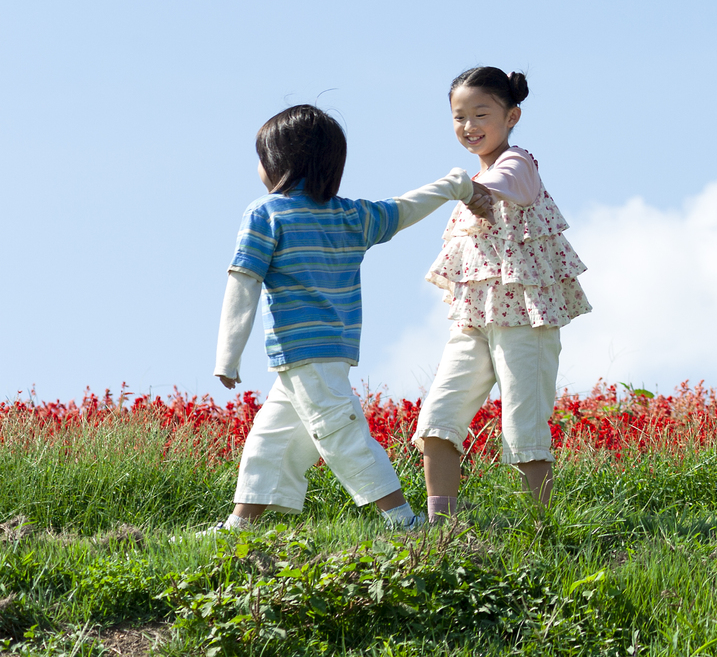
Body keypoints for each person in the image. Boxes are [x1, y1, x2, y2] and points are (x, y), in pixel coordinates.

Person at [210, 105, 471, 532]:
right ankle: (241, 523)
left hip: (303, 351)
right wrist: (452, 185)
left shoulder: (266, 212)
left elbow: (244, 283)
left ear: (280, 162)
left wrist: (227, 358)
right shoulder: (352, 216)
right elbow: (404, 208)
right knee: (272, 438)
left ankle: (404, 521)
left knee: (340, 432)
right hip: (326, 351)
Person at [414, 67, 591, 521]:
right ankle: (442, 527)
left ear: (511, 116)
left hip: (524, 321)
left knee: (523, 426)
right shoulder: (473, 182)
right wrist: (468, 188)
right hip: (474, 319)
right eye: (458, 117)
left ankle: (539, 529)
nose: (468, 126)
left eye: (481, 114)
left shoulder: (518, 164)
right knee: (437, 418)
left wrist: (472, 188)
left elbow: (508, 185)